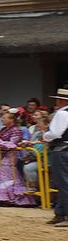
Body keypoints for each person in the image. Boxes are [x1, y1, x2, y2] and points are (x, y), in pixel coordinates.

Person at [0, 110, 35, 206]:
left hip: (10, 155)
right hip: (2, 155)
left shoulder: (16, 130)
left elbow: (12, 144)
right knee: (0, 175)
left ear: (11, 119)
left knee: (8, 175)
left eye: (5, 117)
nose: (2, 119)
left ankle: (10, 198)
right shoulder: (4, 129)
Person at [45, 88, 68, 228]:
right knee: (63, 183)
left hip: (61, 150)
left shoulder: (61, 114)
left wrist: (44, 136)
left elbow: (56, 133)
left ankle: (64, 215)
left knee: (63, 183)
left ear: (61, 100)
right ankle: (60, 212)